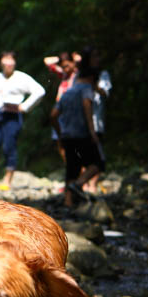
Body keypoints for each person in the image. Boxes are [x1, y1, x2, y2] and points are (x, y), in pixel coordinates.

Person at [0, 51, 46, 190]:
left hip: (12, 115)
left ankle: (7, 181)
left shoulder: (22, 78)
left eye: (11, 60)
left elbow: (39, 91)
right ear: (1, 62)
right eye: (6, 59)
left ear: (15, 62)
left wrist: (25, 106)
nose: (8, 63)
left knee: (9, 147)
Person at [51, 63, 102, 208]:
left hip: (67, 136)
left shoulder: (67, 92)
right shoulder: (86, 89)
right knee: (98, 163)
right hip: (82, 134)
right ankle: (78, 185)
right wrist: (92, 131)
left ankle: (68, 203)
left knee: (72, 169)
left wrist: (60, 132)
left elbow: (53, 115)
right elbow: (87, 105)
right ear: (92, 78)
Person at [80, 47, 112, 192]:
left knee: (98, 159)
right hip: (80, 123)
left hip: (97, 122)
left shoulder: (103, 75)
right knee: (82, 156)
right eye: (94, 57)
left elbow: (105, 93)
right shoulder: (80, 76)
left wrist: (93, 85)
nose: (97, 60)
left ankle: (91, 185)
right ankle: (82, 185)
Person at [44, 52, 77, 162]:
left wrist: (75, 60)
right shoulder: (63, 74)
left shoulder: (78, 74)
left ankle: (79, 167)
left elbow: (82, 61)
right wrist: (59, 59)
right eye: (63, 67)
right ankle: (68, 164)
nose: (66, 69)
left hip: (72, 111)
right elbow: (47, 61)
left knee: (74, 140)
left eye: (67, 66)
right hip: (60, 110)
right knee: (60, 140)